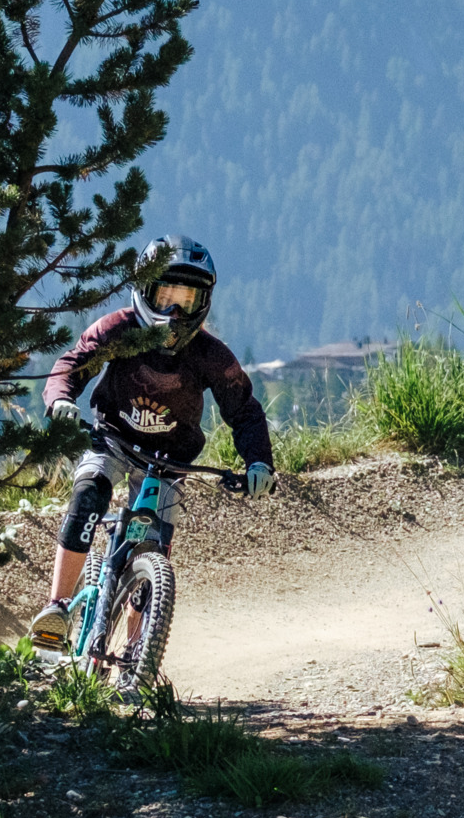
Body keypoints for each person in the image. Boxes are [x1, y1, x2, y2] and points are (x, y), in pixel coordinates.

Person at [30, 237, 278, 649]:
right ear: (145, 291)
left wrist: (259, 462)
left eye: (187, 299)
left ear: (204, 301)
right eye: (165, 297)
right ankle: (56, 607)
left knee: (150, 546)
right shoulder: (119, 329)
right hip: (110, 438)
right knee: (89, 494)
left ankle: (136, 654)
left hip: (170, 461)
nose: (175, 312)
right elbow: (72, 364)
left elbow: (245, 411)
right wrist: (60, 398)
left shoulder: (210, 354)